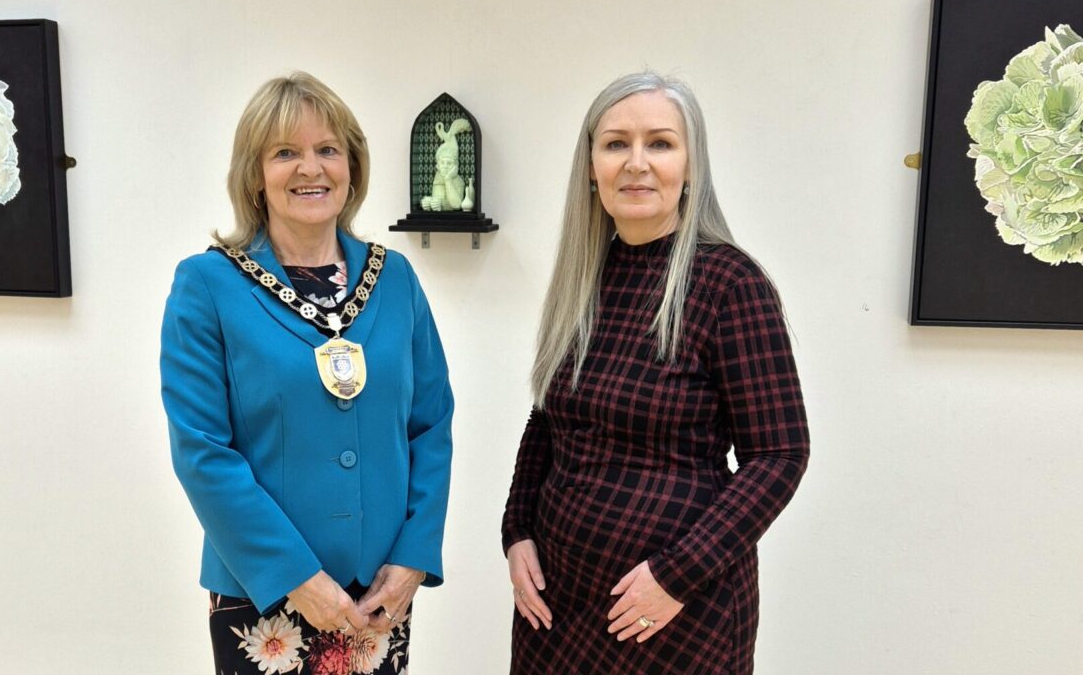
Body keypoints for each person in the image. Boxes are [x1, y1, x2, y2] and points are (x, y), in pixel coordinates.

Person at [501, 72, 809, 674]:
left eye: (660, 143)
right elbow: (549, 421)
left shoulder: (730, 285)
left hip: (675, 611)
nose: (636, 163)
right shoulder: (584, 276)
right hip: (557, 606)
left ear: (691, 166)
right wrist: (516, 533)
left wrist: (676, 575)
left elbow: (780, 455)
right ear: (591, 167)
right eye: (616, 144)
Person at [161, 72, 453, 675]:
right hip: (263, 592)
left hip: (377, 593)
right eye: (285, 152)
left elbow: (431, 426)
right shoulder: (208, 285)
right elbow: (203, 451)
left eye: (328, 150)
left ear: (352, 166)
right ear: (255, 174)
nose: (310, 169)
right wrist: (297, 577)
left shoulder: (395, 279)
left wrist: (413, 558)